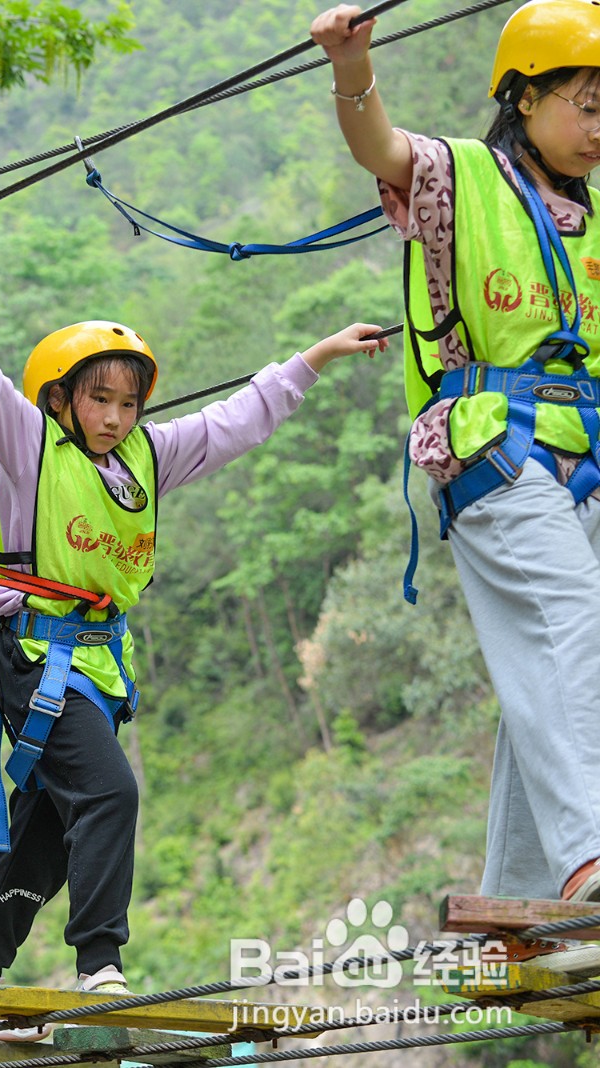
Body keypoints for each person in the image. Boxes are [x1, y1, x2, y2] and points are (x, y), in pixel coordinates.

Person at [0, 233, 385, 1033]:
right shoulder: (29, 444)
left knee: (42, 844)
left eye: (128, 403)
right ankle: (100, 963)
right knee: (111, 792)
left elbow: (234, 422)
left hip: (98, 666)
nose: (113, 417)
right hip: (34, 654)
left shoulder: (146, 459)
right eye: (97, 399)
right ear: (62, 399)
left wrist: (314, 357)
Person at [311, 0, 600, 922]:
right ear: (523, 96)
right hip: (495, 450)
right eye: (586, 103)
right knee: (570, 624)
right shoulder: (459, 174)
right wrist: (353, 67)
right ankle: (593, 859)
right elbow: (379, 146)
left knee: (548, 662)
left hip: (583, 454)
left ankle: (522, 900)